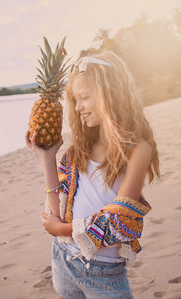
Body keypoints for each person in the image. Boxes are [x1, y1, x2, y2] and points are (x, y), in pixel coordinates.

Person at [25, 51, 160, 299]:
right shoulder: (77, 152)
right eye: (75, 100)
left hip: (103, 272)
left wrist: (61, 229)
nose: (77, 108)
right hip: (63, 258)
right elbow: (56, 212)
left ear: (110, 93)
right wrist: (47, 158)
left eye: (84, 97)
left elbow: (117, 222)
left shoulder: (137, 149)